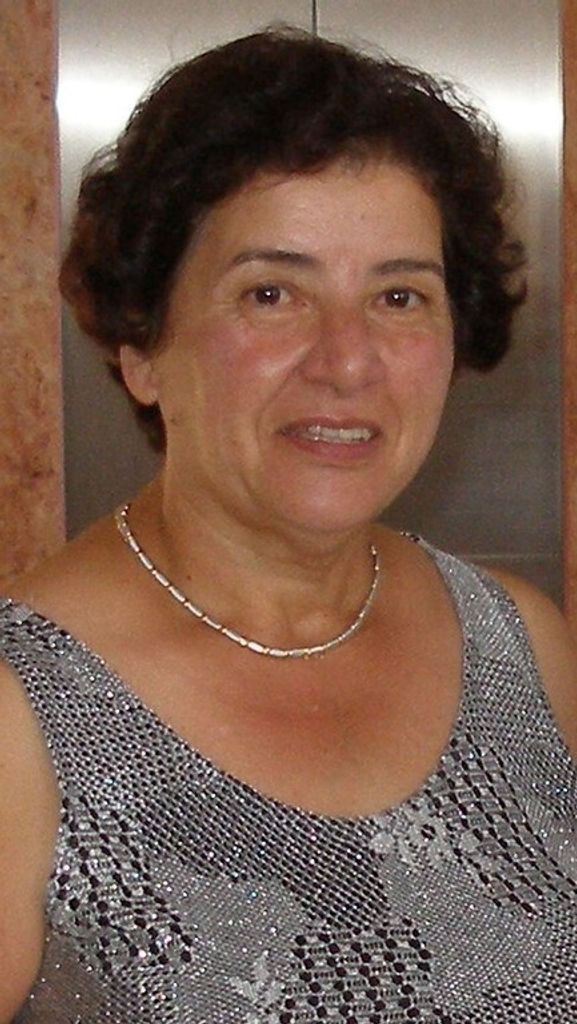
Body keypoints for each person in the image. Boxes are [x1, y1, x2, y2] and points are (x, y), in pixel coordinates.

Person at [1, 26, 575, 1024]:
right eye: (271, 294)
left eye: (398, 295)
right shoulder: (23, 711)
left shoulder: (518, 643)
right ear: (142, 345)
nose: (347, 360)